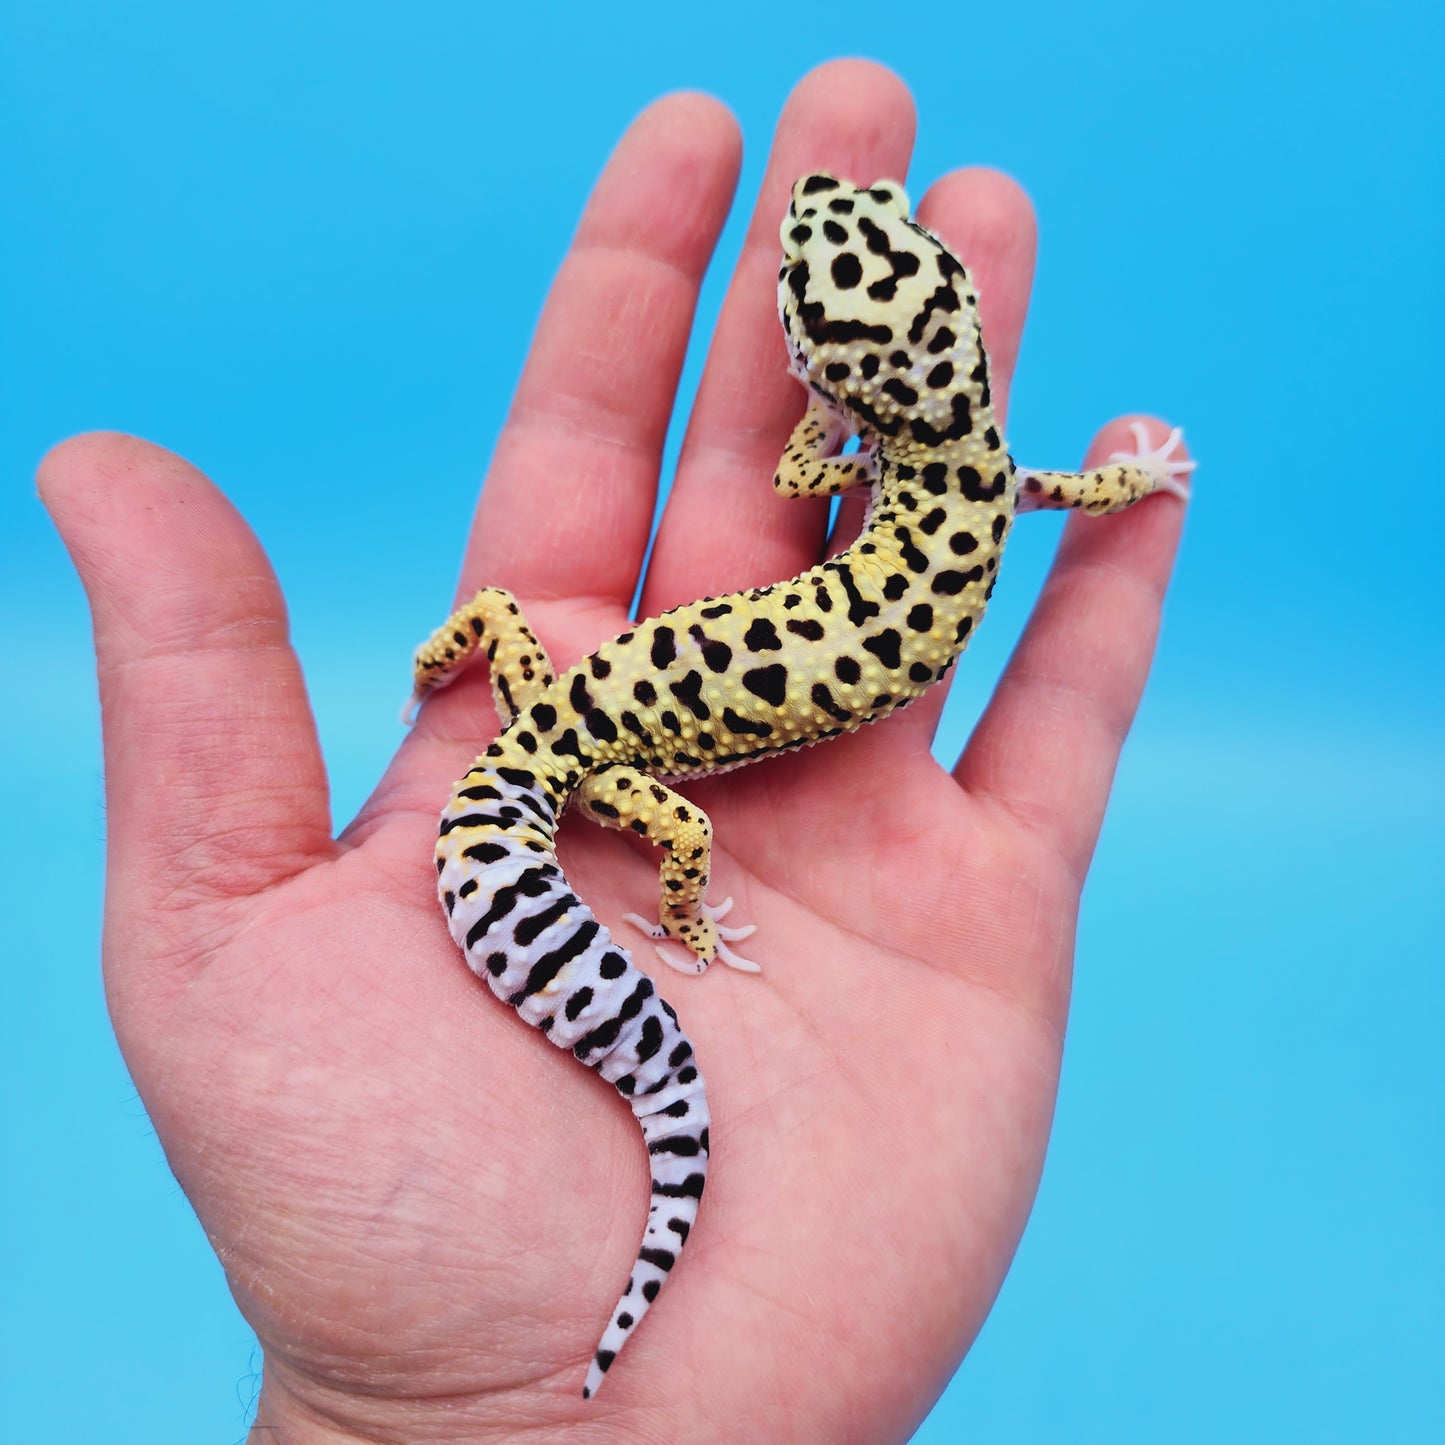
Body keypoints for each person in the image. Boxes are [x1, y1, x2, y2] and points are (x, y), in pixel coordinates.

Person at [40, 58, 1190, 1445]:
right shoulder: (973, 458)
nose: (829, 205)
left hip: (581, 713)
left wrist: (823, 430)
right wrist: (1111, 479)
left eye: (848, 237)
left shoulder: (900, 456)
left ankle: (465, 658)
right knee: (684, 836)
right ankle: (669, 940)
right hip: (593, 757)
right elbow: (1032, 485)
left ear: (896, 338)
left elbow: (813, 476)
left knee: (593, 726)